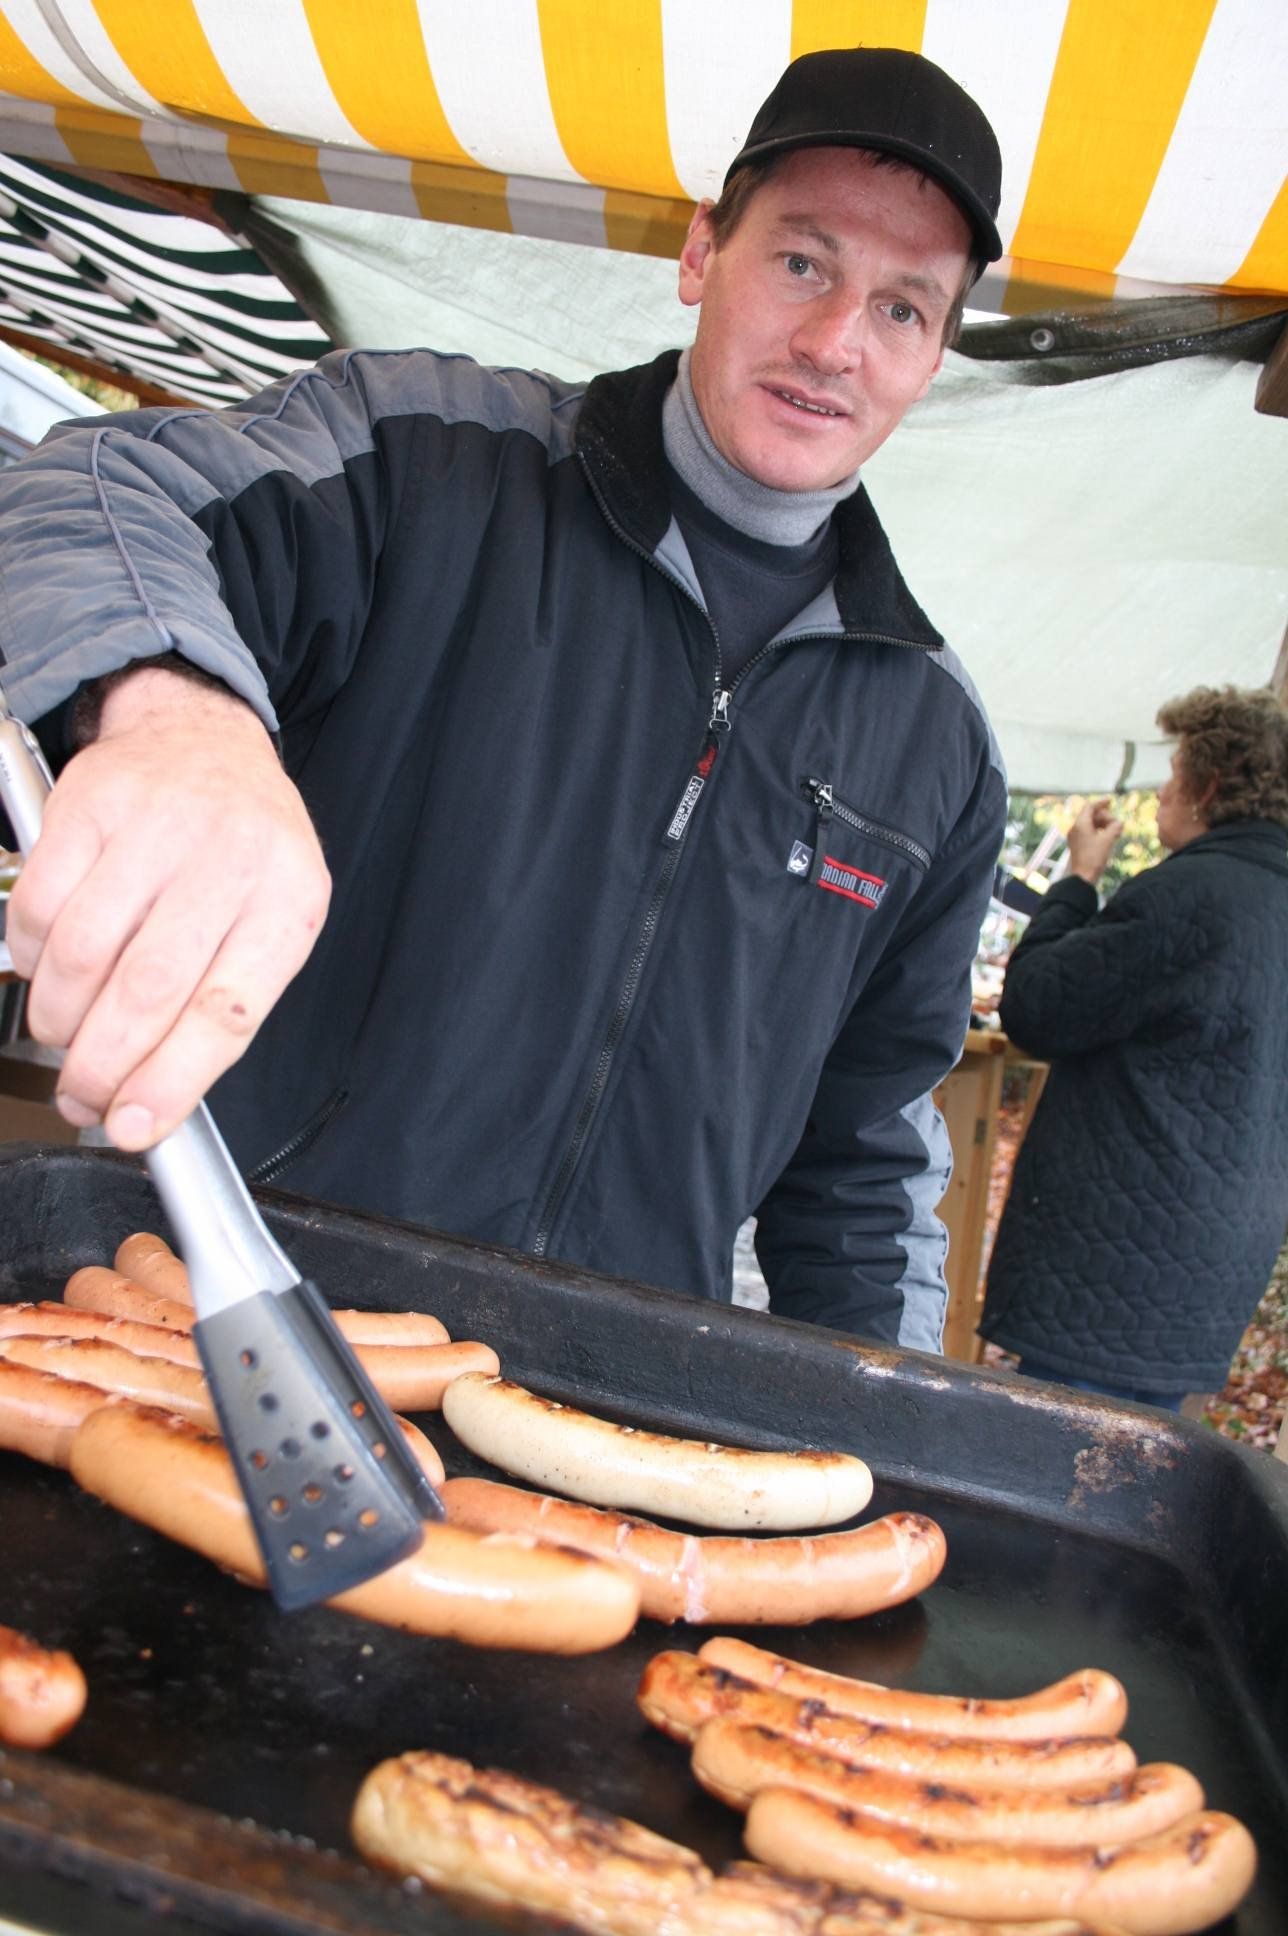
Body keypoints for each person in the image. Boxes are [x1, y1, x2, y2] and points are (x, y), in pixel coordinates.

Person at [0, 47, 1008, 1348]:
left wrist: (890, 1417)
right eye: (803, 262)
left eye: (903, 310)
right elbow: (85, 489)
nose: (834, 345)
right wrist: (175, 706)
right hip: (224, 1315)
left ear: (934, 356)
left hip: (607, 1403)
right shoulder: (422, 460)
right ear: (704, 250)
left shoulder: (937, 742)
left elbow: (865, 1158)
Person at [979, 685, 1288, 1408]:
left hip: (1122, 1257)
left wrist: (1079, 880)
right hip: (1218, 1256)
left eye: (1174, 770)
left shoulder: (1189, 896)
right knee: (1139, 1454)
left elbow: (1039, 1007)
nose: (1161, 791)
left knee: (1069, 1449)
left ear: (1208, 785)